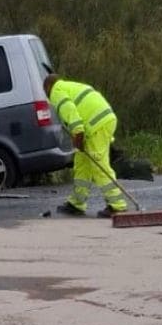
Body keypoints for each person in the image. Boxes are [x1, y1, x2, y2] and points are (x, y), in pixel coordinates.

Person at [43, 73, 127, 217]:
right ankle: (77, 203)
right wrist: (80, 137)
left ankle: (117, 205)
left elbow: (71, 113)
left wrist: (78, 134)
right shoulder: (69, 86)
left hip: (95, 125)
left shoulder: (56, 91)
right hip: (99, 122)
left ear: (48, 87)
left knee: (99, 165)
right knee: (82, 165)